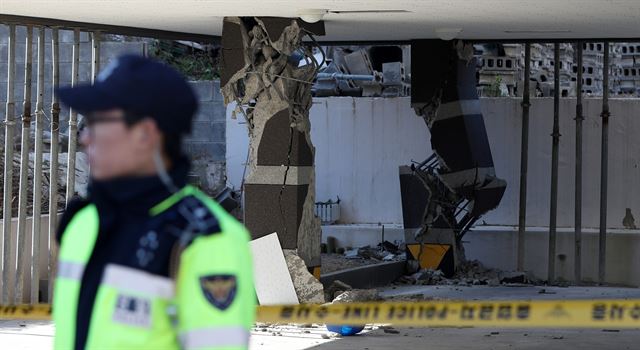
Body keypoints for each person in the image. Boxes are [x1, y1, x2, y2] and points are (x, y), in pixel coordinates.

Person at [53, 54, 255, 350]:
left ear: (145, 134)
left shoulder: (204, 238)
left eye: (96, 121)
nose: (84, 137)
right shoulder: (84, 222)